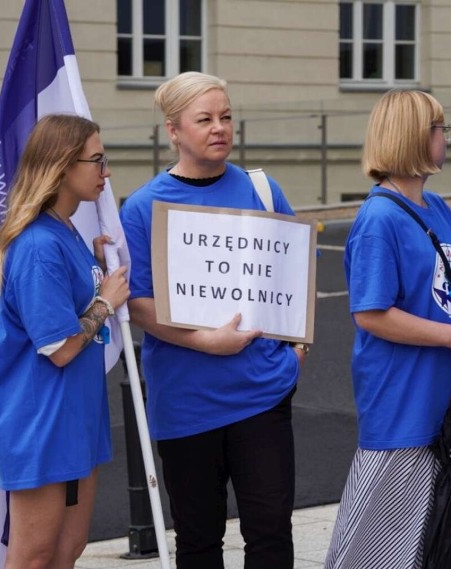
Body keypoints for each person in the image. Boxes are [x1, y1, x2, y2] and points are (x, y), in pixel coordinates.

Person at [119, 71, 304, 569]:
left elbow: (292, 274)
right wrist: (208, 341)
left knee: (270, 533)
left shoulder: (262, 189)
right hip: (186, 400)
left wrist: (297, 348)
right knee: (199, 541)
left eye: (226, 117)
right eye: (204, 119)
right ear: (174, 130)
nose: (219, 128)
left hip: (262, 394)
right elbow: (139, 304)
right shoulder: (142, 208)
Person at [324, 89, 451, 569]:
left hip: (443, 401)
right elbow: (371, 314)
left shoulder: (437, 207)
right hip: (401, 402)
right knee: (378, 549)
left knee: (434, 544)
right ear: (412, 137)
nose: (447, 138)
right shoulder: (379, 218)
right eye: (440, 129)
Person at [0, 114, 130, 569]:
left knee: (67, 549)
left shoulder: (65, 231)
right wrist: (105, 301)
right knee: (34, 556)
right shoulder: (38, 245)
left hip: (74, 414)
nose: (105, 173)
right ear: (63, 166)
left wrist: (95, 267)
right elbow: (61, 346)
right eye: (97, 161)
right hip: (41, 418)